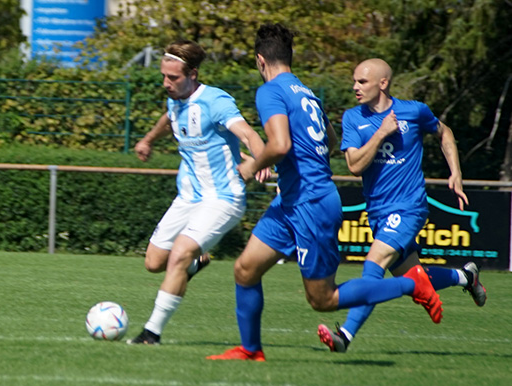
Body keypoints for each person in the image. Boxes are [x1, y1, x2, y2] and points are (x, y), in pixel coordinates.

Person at [206, 24, 443, 362]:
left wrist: (250, 167)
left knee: (323, 299)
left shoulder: (270, 91)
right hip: (291, 201)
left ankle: (412, 284)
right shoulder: (304, 91)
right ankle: (250, 350)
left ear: (261, 61)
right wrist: (290, 163)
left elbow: (280, 144)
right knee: (245, 269)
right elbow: (328, 142)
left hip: (311, 203)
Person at [317, 58, 487, 353]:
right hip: (377, 212)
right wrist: (381, 133)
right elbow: (355, 165)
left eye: (362, 81)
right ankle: (466, 276)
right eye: (354, 81)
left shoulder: (414, 111)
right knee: (411, 279)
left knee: (373, 265)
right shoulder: (352, 118)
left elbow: (444, 133)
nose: (355, 87)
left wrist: (455, 172)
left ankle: (344, 336)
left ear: (383, 83)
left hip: (409, 208)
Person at [128, 39, 271, 345]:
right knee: (154, 262)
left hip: (223, 198)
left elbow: (247, 133)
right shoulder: (175, 99)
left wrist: (261, 161)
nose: (166, 84)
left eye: (173, 78)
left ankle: (151, 334)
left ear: (192, 74)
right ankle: (193, 265)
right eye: (164, 77)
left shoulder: (216, 102)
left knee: (178, 254)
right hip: (188, 197)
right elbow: (169, 119)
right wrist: (149, 139)